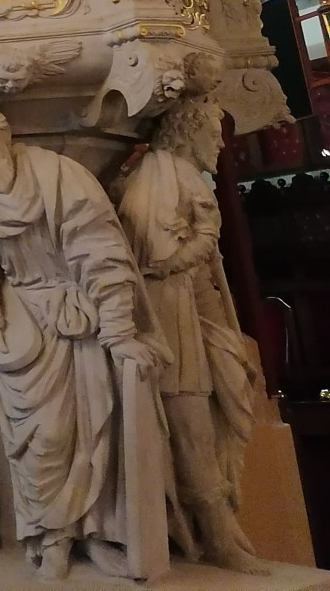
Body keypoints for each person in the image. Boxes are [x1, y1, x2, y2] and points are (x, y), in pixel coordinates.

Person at [0, 99, 165, 581]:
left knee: (97, 426)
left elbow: (100, 253)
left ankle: (96, 531)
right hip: (22, 323)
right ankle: (53, 537)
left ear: (7, 134)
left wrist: (119, 332)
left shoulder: (58, 177)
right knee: (43, 439)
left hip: (79, 311)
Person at [117, 98, 262, 571]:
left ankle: (215, 525)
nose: (218, 143)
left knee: (215, 405)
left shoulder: (151, 175)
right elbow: (194, 240)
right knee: (190, 419)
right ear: (189, 131)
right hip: (170, 308)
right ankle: (214, 532)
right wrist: (176, 262)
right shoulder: (174, 176)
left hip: (182, 301)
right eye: (213, 133)